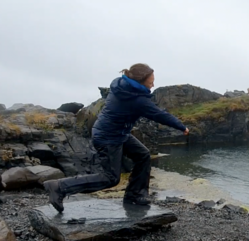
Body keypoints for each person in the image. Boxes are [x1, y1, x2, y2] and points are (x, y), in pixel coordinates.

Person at [43, 63, 189, 213]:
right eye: (151, 81)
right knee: (110, 178)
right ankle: (59, 187)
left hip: (117, 133)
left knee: (143, 155)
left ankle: (135, 195)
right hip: (108, 137)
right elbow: (159, 114)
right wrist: (182, 127)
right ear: (140, 80)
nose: (153, 85)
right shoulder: (136, 99)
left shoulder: (123, 87)